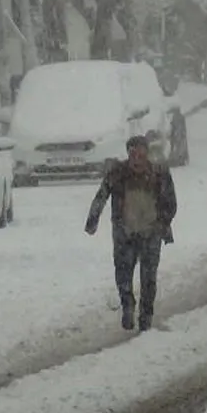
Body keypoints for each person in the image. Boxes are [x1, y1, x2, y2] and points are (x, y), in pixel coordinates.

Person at [84, 135, 178, 332]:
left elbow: (170, 202)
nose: (137, 159)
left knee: (148, 278)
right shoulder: (117, 173)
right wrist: (93, 219)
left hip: (151, 232)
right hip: (124, 233)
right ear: (128, 155)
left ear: (147, 155)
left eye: (141, 154)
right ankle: (127, 304)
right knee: (123, 273)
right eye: (133, 154)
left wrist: (163, 222)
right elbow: (101, 195)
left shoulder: (159, 173)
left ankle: (146, 317)